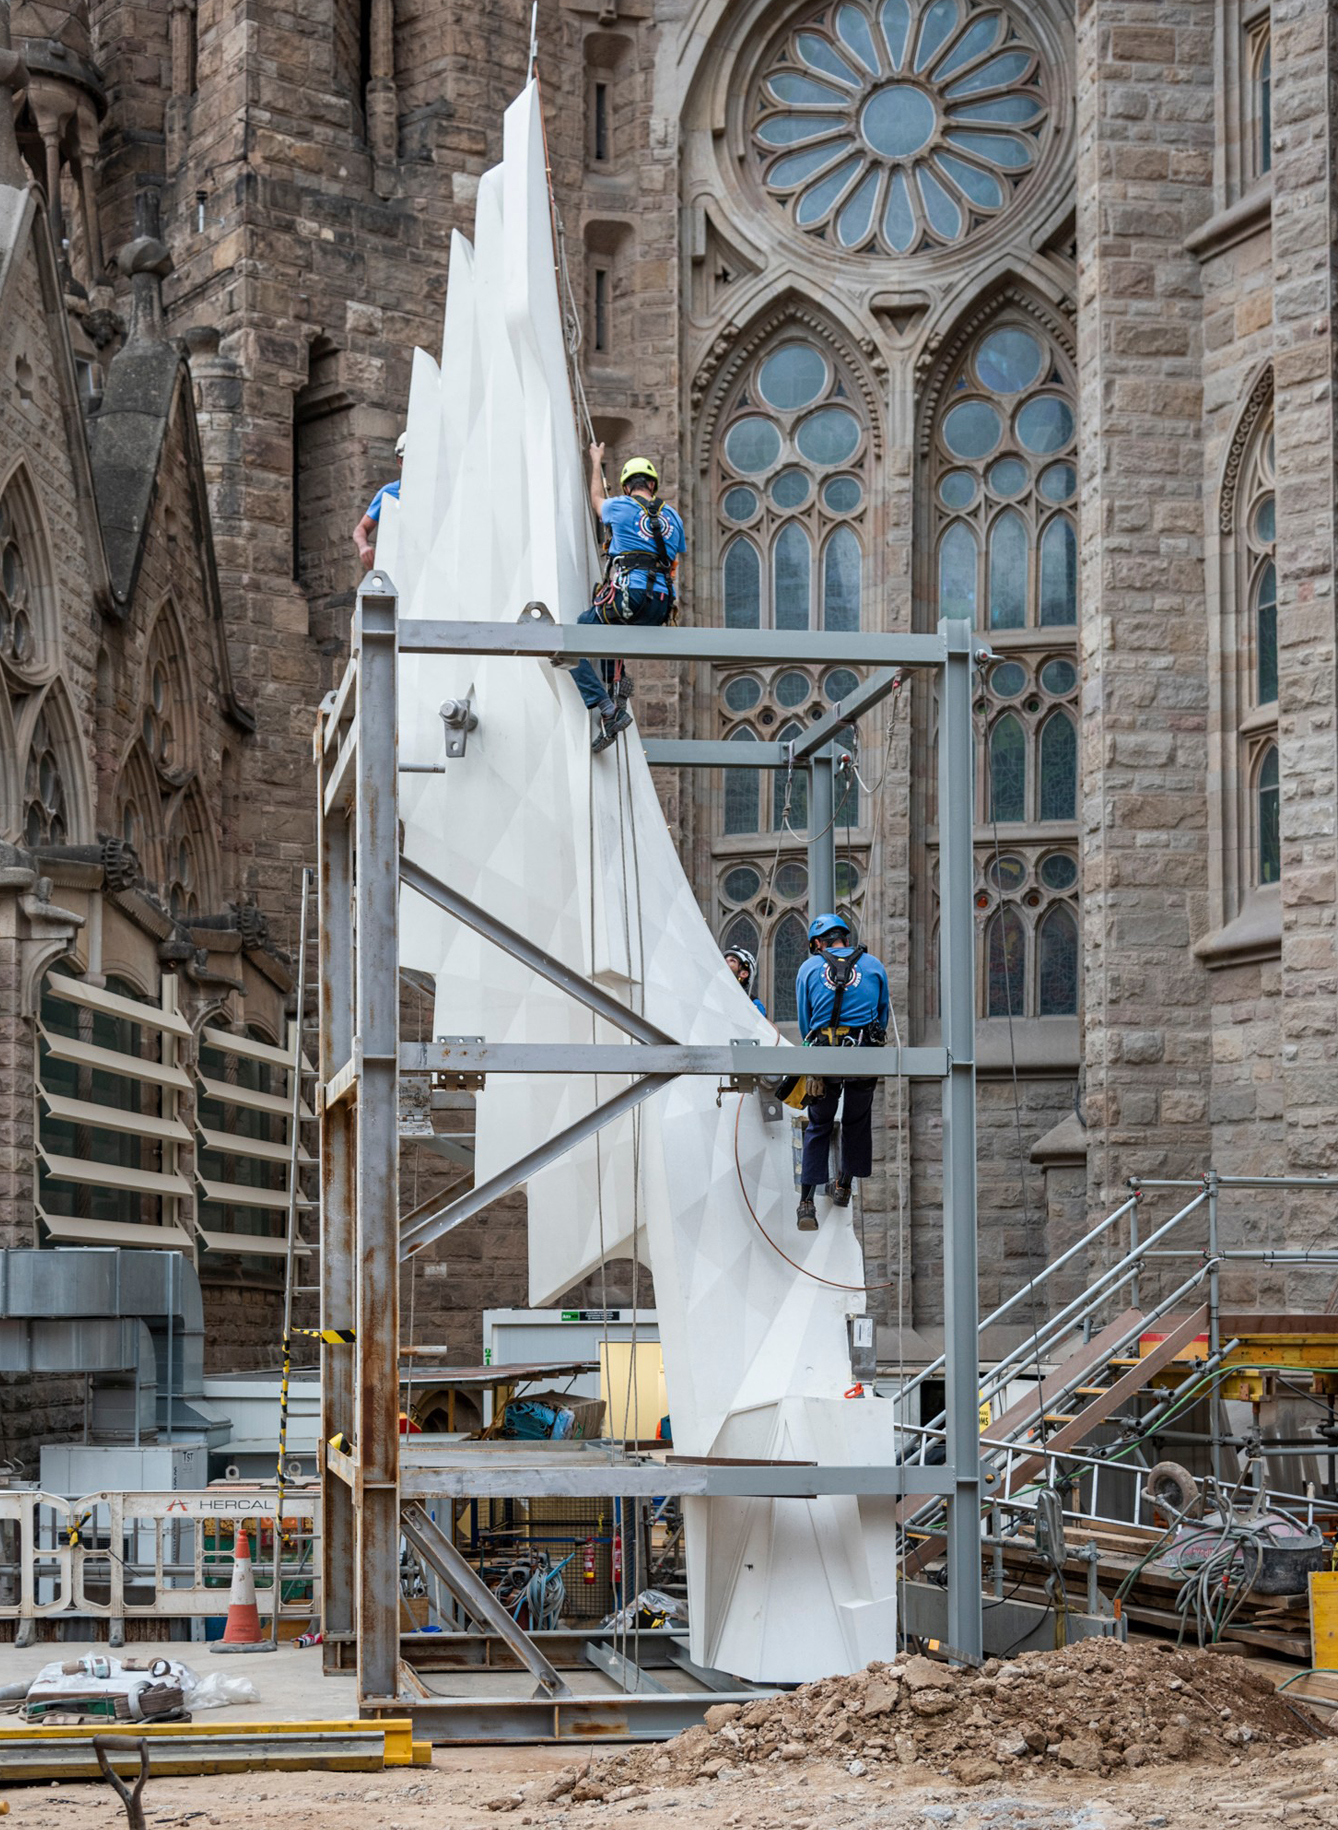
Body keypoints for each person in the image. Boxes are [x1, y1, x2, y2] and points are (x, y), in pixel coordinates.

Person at [570, 445, 685, 754]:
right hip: (660, 606)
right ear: (652, 484)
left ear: (626, 485)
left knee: (578, 634)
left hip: (630, 598)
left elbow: (596, 501)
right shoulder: (673, 516)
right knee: (607, 629)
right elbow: (672, 563)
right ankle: (615, 681)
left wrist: (596, 462)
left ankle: (607, 707)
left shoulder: (619, 506)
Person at [793, 913, 889, 1231]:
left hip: (824, 1056)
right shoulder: (874, 966)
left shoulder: (808, 969)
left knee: (819, 1124)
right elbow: (882, 1015)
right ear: (844, 938)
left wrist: (818, 1045)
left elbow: (806, 1022)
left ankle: (806, 1204)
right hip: (863, 1055)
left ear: (819, 943)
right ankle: (844, 1186)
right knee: (856, 1122)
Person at [353, 432, 406, 572]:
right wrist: (363, 547)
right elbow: (360, 529)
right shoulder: (390, 492)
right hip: (400, 566)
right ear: (400, 462)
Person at [724, 944, 766, 1016]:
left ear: (744, 973)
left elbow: (765, 1026)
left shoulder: (754, 1003)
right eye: (725, 960)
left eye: (732, 960)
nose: (725, 962)